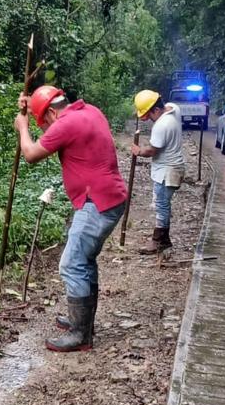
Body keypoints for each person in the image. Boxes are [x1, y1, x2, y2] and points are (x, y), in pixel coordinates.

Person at [14, 85, 127, 352]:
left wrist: (22, 126)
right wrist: (32, 107)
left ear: (53, 112)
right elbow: (55, 131)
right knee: (84, 260)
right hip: (109, 197)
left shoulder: (66, 124)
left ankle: (80, 334)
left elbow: (31, 154)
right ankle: (83, 323)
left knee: (72, 263)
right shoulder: (90, 111)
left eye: (45, 121)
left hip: (96, 203)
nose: (45, 127)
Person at [131, 90, 186, 253]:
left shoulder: (162, 125)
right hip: (175, 167)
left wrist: (139, 150)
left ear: (156, 110)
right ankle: (165, 239)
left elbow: (152, 151)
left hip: (166, 172)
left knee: (161, 205)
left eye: (149, 115)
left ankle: (158, 241)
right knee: (164, 204)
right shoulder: (174, 109)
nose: (149, 119)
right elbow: (167, 104)